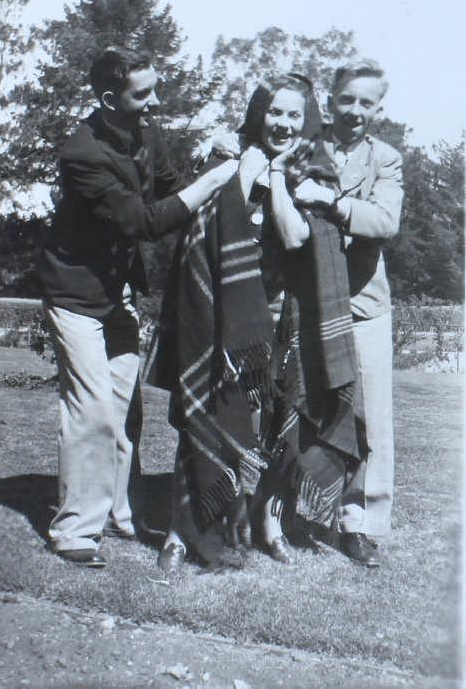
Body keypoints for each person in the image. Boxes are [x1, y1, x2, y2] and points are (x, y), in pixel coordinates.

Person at [147, 72, 366, 573]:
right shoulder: (228, 156)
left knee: (275, 426)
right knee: (203, 414)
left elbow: (293, 239)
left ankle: (269, 528)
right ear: (258, 113)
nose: (283, 123)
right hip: (221, 318)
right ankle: (182, 532)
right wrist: (245, 173)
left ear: (306, 118)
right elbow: (204, 233)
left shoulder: (315, 165)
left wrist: (281, 183)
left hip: (281, 319)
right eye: (274, 112)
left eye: (294, 114)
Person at [38, 46, 239, 567]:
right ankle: (75, 530)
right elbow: (143, 222)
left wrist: (219, 165)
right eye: (143, 93)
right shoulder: (80, 153)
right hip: (75, 296)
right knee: (92, 410)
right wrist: (215, 180)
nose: (156, 101)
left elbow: (175, 189)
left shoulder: (146, 135)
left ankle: (123, 515)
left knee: (126, 411)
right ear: (108, 98)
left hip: (118, 294)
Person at [291, 59, 403, 567]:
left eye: (366, 102)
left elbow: (383, 220)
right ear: (330, 102)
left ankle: (360, 524)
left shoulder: (386, 159)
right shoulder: (302, 148)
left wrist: (331, 203)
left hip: (364, 307)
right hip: (309, 303)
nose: (354, 111)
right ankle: (290, 508)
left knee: (369, 420)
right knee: (305, 409)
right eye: (346, 100)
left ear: (378, 108)